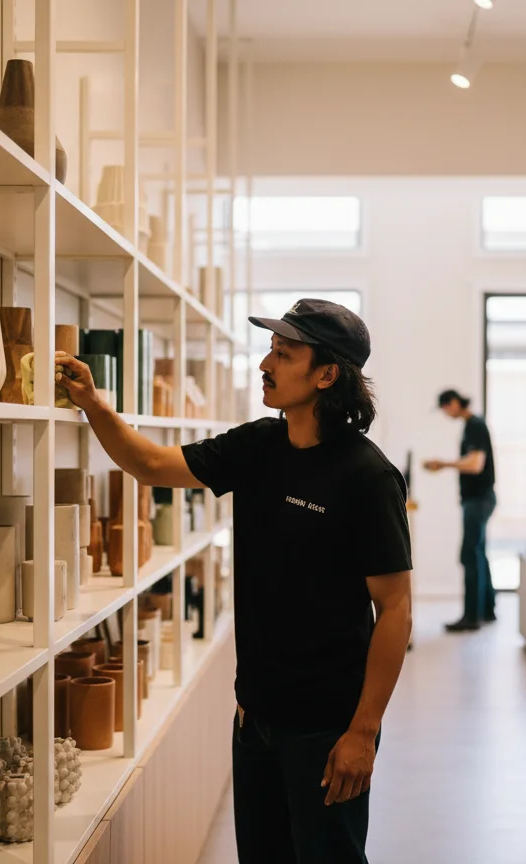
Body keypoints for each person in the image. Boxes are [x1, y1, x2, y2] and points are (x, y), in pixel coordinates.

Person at [55, 298, 412, 864]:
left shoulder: (368, 477)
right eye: (270, 350)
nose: (265, 364)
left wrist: (362, 734)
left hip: (325, 732)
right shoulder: (257, 446)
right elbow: (151, 465)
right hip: (255, 721)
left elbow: (395, 609)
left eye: (285, 353)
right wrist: (95, 405)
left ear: (326, 375)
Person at [424, 389, 497, 633]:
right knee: (478, 553)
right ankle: (487, 611)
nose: (446, 414)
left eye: (445, 408)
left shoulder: (474, 425)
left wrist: (442, 464)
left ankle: (471, 617)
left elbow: (476, 465)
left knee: (470, 555)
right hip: (479, 499)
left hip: (478, 500)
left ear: (453, 403)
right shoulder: (472, 425)